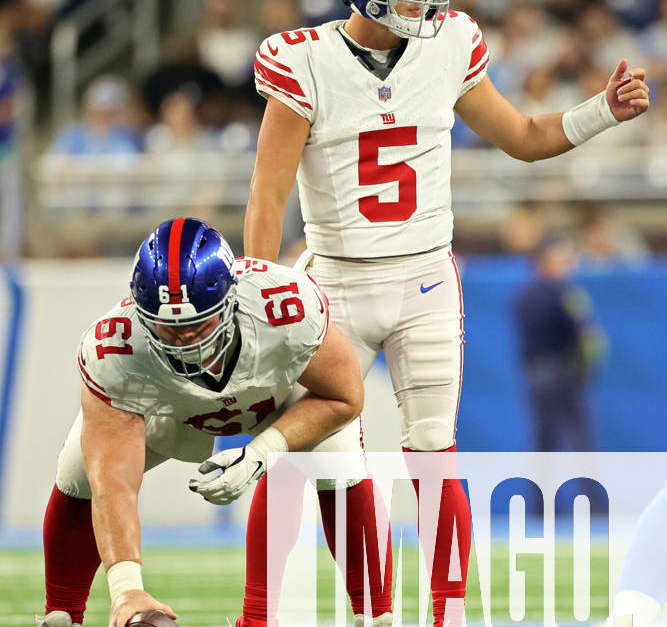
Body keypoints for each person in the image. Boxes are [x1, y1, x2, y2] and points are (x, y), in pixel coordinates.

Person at [242, 2, 651, 625]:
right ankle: (267, 613)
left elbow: (523, 135)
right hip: (336, 281)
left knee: (434, 452)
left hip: (424, 279)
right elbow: (268, 194)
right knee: (312, 462)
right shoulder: (306, 58)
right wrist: (261, 293)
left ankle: (448, 614)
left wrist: (603, 110)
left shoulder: (452, 39)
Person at [37, 218, 392, 627]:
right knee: (80, 469)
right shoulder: (115, 348)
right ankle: (61, 613)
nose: (187, 340)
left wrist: (264, 451)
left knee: (339, 456)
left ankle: (375, 614)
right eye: (168, 328)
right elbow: (113, 484)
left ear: (231, 300)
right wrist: (126, 588)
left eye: (198, 324)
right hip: (169, 409)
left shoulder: (284, 305)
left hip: (272, 397)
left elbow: (345, 397)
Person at [514, 234, 604, 453]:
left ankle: (548, 487)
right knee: (574, 433)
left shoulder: (524, 295)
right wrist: (586, 364)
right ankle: (587, 486)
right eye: (562, 259)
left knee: (548, 435)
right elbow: (586, 334)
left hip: (541, 371)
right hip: (560, 371)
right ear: (545, 261)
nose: (569, 264)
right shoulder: (565, 294)